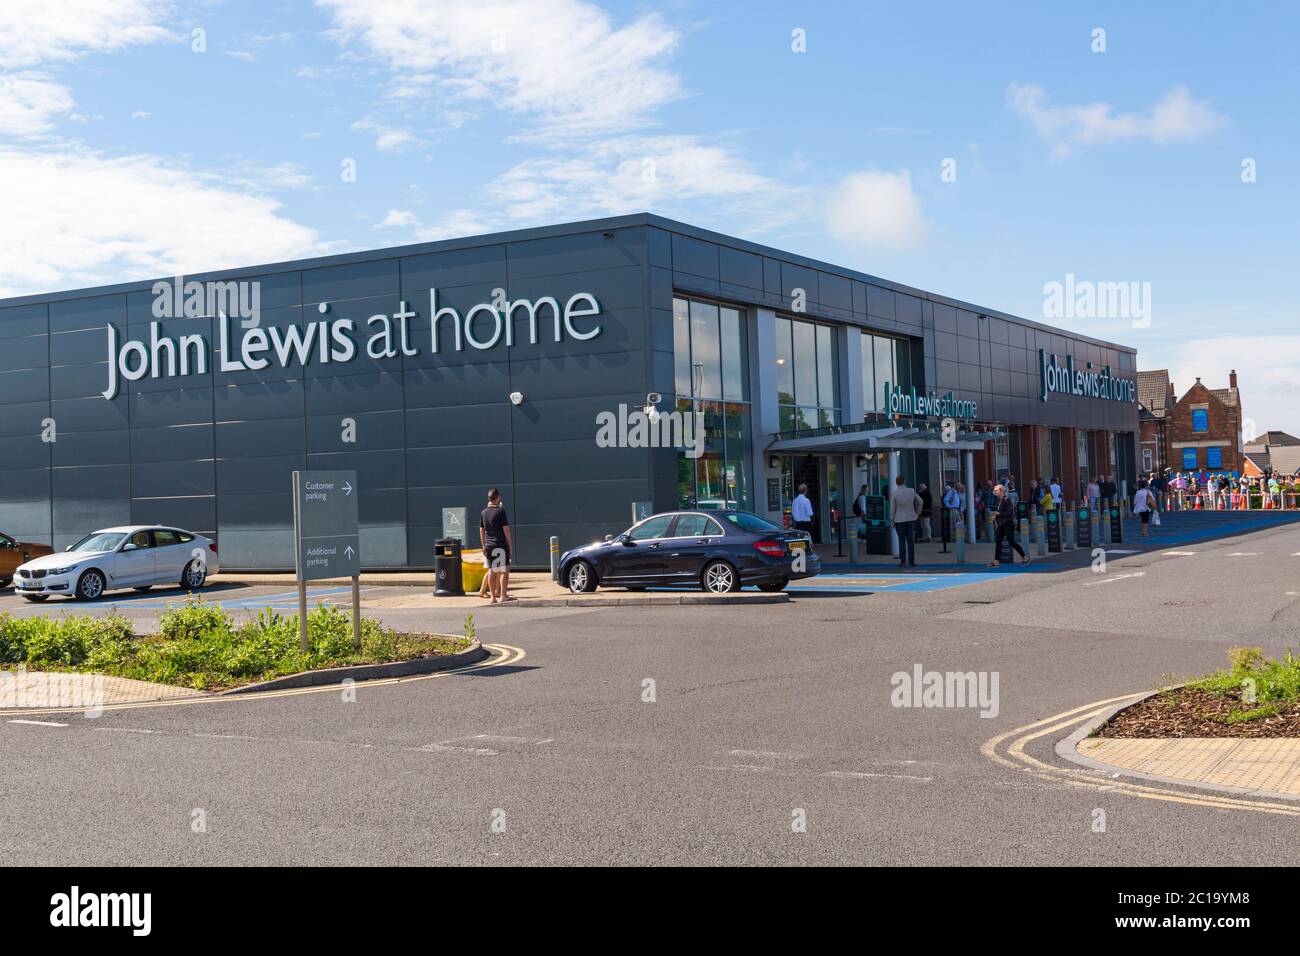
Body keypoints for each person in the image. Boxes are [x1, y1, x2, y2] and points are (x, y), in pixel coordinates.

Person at [479, 487, 514, 604]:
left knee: (492, 571)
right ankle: (503, 595)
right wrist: (510, 546)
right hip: (500, 544)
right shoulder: (501, 512)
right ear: (498, 497)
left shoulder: (483, 512)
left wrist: (483, 545)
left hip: (488, 545)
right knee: (504, 570)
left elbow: (481, 531)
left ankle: (493, 597)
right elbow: (506, 530)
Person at [989, 483, 1029, 568]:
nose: (994, 492)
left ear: (1001, 491)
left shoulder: (1006, 499)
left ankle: (1025, 557)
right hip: (1001, 523)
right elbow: (999, 511)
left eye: (996, 490)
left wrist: (999, 514)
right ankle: (996, 561)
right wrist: (995, 515)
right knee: (998, 541)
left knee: (1011, 541)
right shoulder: (999, 500)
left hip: (1008, 523)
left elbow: (1010, 513)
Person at [890, 475, 922, 568]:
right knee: (910, 541)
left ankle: (902, 561)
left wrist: (892, 520)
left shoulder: (894, 493)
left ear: (896, 483)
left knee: (901, 540)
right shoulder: (911, 491)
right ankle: (912, 560)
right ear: (904, 481)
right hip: (911, 518)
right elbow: (920, 501)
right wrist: (917, 512)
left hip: (899, 519)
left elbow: (892, 509)